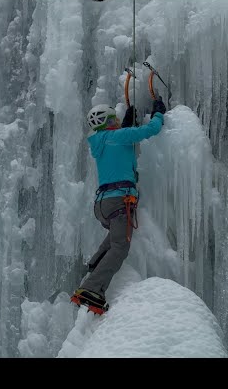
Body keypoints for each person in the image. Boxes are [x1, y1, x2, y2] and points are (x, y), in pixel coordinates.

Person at [71, 96, 167, 313]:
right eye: (114, 118)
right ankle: (92, 288)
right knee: (121, 247)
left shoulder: (101, 142)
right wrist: (158, 112)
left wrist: (125, 124)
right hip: (119, 201)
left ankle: (93, 267)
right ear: (109, 121)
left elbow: (119, 148)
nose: (117, 121)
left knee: (113, 241)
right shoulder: (119, 136)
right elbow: (150, 130)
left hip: (102, 205)